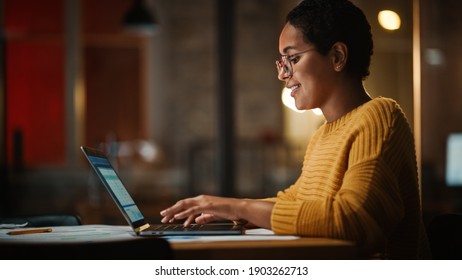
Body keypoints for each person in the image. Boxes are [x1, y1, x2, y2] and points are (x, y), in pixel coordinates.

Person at [160, 0, 430, 259]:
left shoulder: (380, 116)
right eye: (282, 61)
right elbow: (296, 201)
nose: (282, 74)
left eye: (293, 58)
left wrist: (237, 207)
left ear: (337, 56)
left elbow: (352, 220)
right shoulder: (323, 134)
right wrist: (230, 211)